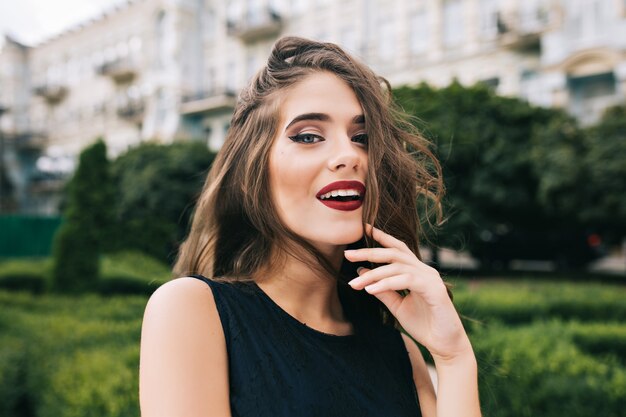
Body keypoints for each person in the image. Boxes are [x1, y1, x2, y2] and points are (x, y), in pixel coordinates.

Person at [139, 36, 481, 417]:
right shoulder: (193, 311)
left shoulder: (402, 354)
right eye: (308, 136)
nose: (349, 155)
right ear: (254, 168)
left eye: (362, 138)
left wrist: (454, 358)